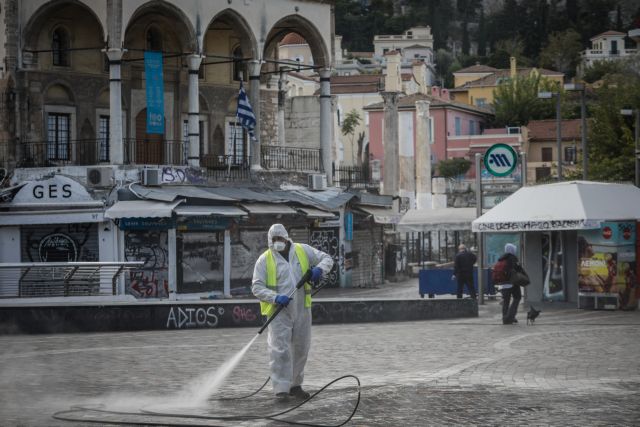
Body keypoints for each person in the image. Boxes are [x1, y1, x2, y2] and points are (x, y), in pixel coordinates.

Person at [252, 224, 334, 402]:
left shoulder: (302, 251)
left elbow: (327, 258)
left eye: (280, 239)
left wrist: (319, 269)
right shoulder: (264, 260)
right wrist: (274, 297)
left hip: (302, 308)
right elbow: (256, 287)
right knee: (279, 350)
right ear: (269, 241)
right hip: (279, 310)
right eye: (274, 240)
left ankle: (295, 386)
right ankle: (281, 390)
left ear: (286, 238)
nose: (277, 243)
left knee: (301, 347)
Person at [497, 243, 522, 325]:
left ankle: (505, 318)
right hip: (512, 282)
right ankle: (510, 316)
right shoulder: (513, 258)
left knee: (506, 301)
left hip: (503, 283)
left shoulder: (501, 258)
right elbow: (517, 270)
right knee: (517, 298)